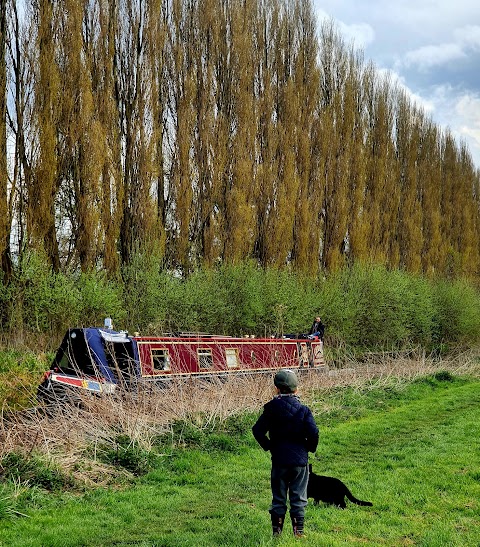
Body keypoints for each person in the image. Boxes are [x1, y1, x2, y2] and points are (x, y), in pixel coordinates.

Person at [252, 369, 319, 538]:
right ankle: (299, 533)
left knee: (279, 498)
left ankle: (277, 534)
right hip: (300, 461)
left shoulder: (270, 409)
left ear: (276, 389)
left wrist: (269, 446)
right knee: (299, 497)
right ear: (296, 389)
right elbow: (314, 433)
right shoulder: (304, 410)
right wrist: (309, 448)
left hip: (279, 460)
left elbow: (257, 431)